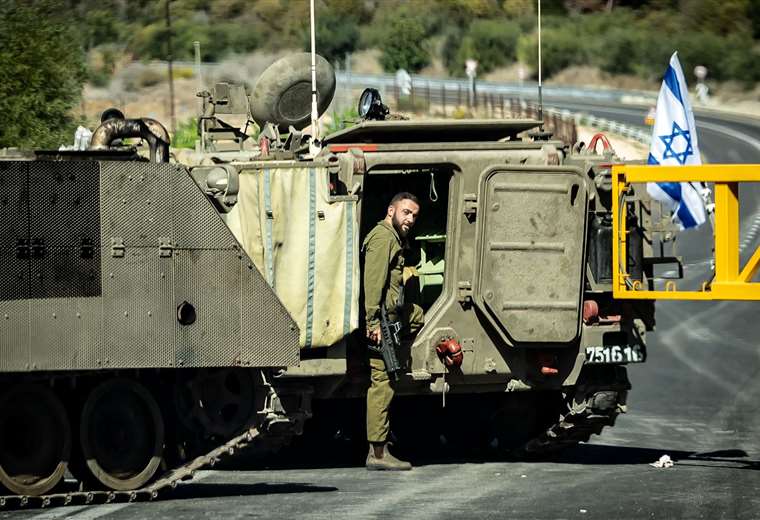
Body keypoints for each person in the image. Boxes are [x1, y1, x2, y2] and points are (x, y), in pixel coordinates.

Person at [362, 192, 424, 471]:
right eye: (406, 212)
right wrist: (373, 322)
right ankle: (377, 453)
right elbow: (373, 283)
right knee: (382, 383)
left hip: (391, 319)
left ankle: (381, 443)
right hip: (382, 323)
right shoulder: (383, 237)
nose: (410, 218)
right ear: (391, 210)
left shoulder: (393, 238)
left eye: (414, 215)